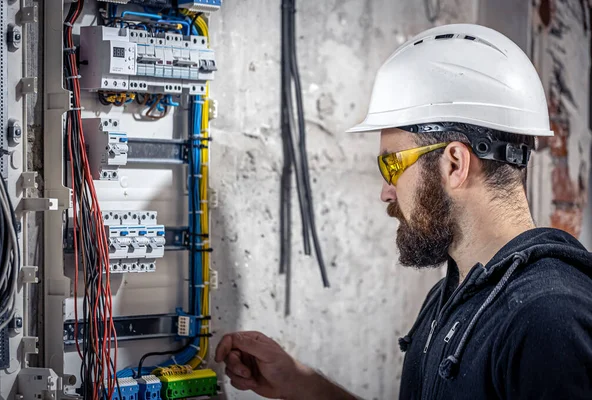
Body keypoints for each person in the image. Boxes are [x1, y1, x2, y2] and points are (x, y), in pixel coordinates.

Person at [215, 23, 592, 399]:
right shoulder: (456, 297)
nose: (386, 191)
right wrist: (300, 383)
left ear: (454, 164)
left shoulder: (549, 319)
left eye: (392, 166)